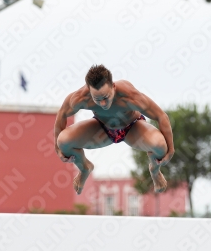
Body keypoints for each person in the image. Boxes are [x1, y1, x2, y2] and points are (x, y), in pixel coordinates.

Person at [54, 64, 175, 195]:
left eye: (106, 97)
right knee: (63, 141)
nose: (103, 104)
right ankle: (84, 168)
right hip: (102, 129)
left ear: (113, 86)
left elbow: (161, 116)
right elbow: (61, 115)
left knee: (161, 145)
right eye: (97, 100)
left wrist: (171, 150)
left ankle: (155, 170)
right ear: (89, 91)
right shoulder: (80, 98)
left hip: (133, 128)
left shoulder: (130, 95)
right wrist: (57, 149)